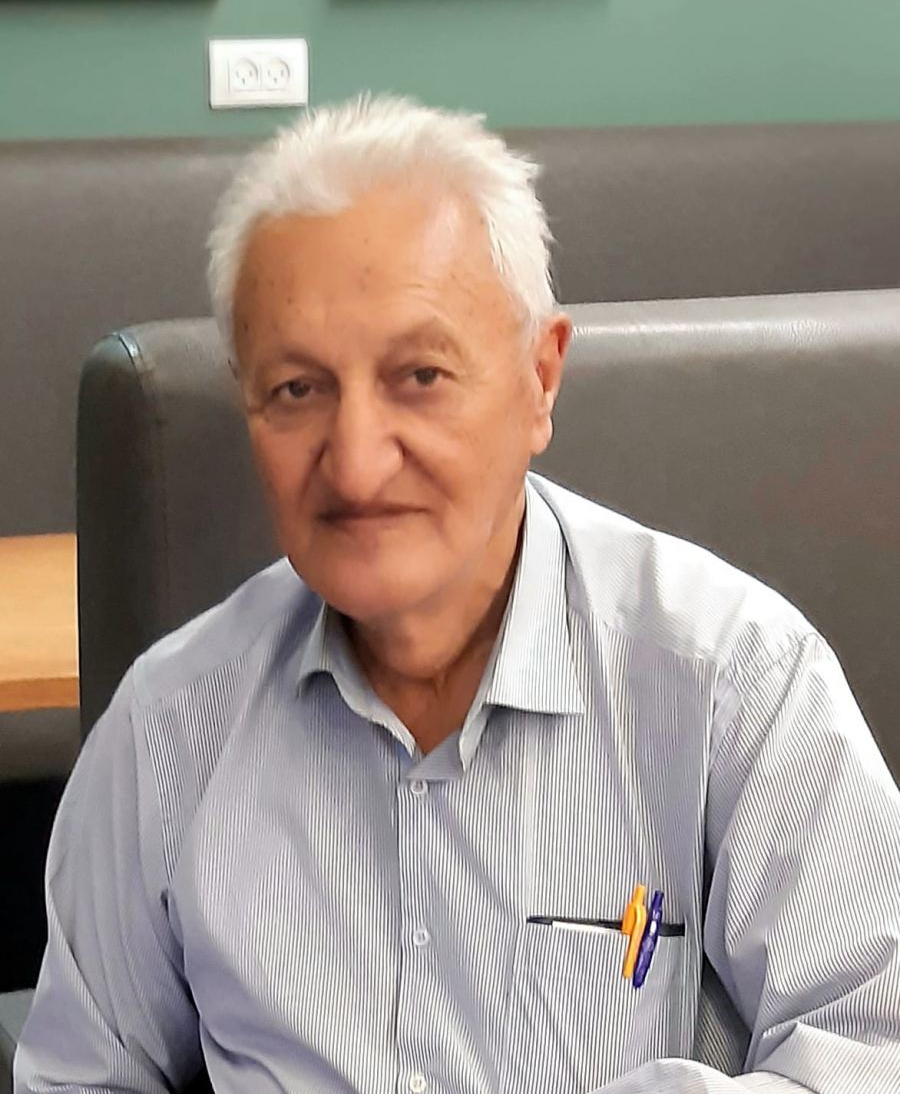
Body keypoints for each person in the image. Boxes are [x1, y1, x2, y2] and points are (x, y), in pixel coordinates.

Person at [16, 95, 900, 1094]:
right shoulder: (167, 729)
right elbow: (79, 1076)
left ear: (540, 379)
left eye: (420, 375)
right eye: (298, 388)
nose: (356, 464)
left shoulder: (735, 680)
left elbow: (874, 1047)